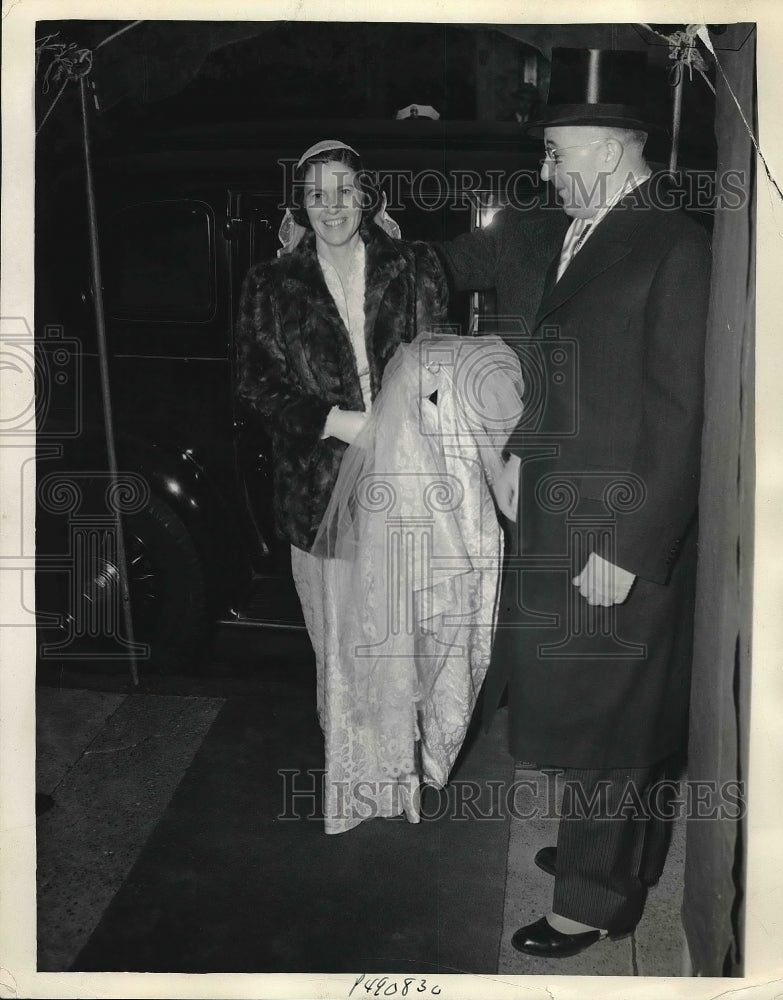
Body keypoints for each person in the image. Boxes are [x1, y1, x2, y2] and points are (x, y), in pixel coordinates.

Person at [437, 55, 712, 957]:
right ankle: (603, 853)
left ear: (607, 146)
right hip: (563, 506)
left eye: (556, 152)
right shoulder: (586, 232)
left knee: (614, 716)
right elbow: (559, 376)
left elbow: (680, 413)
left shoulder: (672, 244)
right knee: (585, 703)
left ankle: (592, 902)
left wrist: (630, 545)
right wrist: (519, 455)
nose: (547, 171)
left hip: (614, 525)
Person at [236, 140, 518, 834]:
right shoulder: (271, 284)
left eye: (343, 190)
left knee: (404, 633)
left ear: (367, 197)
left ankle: (403, 780)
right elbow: (255, 383)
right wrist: (334, 419)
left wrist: (425, 417)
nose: (331, 206)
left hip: (409, 480)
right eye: (315, 194)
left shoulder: (413, 266)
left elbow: (439, 356)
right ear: (299, 205)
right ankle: (355, 784)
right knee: (342, 643)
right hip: (320, 489)